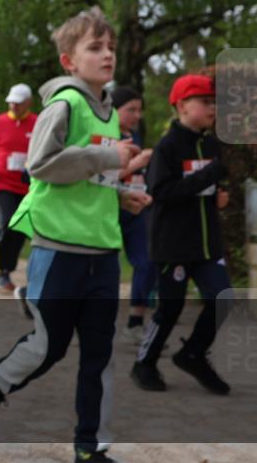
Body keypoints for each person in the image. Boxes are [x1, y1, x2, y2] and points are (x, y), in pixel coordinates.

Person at [0, 7, 151, 463]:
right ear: (69, 60)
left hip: (104, 253)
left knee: (99, 356)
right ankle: (0, 378)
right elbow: (42, 164)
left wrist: (121, 195)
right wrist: (109, 163)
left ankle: (91, 448)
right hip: (59, 250)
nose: (107, 54)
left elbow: (91, 174)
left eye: (109, 47)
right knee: (48, 348)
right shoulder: (64, 103)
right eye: (95, 47)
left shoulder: (110, 111)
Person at [131, 74, 232, 395]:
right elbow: (161, 192)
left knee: (223, 298)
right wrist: (208, 177)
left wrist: (221, 191)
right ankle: (144, 363)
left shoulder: (212, 144)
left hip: (207, 244)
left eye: (214, 102)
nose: (213, 108)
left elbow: (212, 183)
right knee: (170, 308)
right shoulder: (167, 147)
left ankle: (193, 354)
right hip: (172, 244)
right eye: (205, 102)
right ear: (182, 106)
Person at [0, 83, 37, 292]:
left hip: (29, 186)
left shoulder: (37, 123)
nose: (13, 106)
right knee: (8, 221)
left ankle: (11, 269)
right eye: (11, 102)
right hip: (2, 183)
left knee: (21, 228)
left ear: (28, 103)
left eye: (18, 103)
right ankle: (2, 271)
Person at [111, 86, 156, 343]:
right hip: (108, 207)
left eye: (139, 110)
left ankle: (135, 323)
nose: (137, 115)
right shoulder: (104, 137)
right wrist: (135, 164)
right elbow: (94, 178)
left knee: (147, 262)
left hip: (137, 208)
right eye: (131, 110)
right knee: (96, 267)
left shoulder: (136, 135)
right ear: (114, 111)